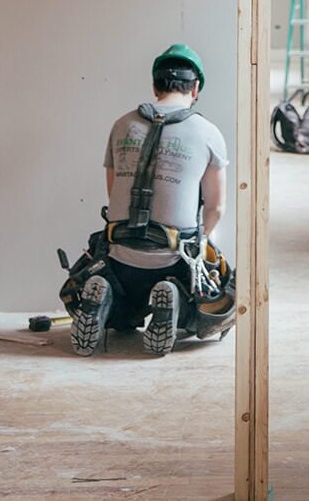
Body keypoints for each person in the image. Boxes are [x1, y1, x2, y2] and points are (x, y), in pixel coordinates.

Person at [70, 44, 229, 357]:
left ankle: (109, 302)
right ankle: (175, 298)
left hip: (119, 257)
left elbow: (113, 192)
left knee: (124, 311)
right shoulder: (208, 132)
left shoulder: (122, 125)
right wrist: (200, 245)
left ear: (155, 86)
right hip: (172, 258)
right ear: (195, 88)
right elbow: (216, 208)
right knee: (217, 293)